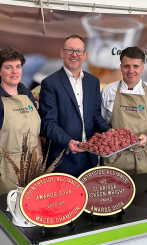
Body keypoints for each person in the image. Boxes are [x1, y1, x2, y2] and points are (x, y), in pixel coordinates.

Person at [0, 47, 41, 212]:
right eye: (8, 67)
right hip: (5, 172)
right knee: (8, 226)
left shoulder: (25, 92)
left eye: (18, 66)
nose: (15, 71)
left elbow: (35, 131)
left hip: (33, 168)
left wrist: (39, 160)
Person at [39, 34, 110, 177]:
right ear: (62, 53)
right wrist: (68, 142)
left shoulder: (93, 82)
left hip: (90, 158)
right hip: (62, 159)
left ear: (85, 55)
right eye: (70, 50)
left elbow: (95, 117)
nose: (74, 55)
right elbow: (48, 123)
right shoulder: (50, 83)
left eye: (79, 51)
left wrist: (111, 132)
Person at [101, 46, 147, 174]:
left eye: (136, 66)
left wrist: (146, 137)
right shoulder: (108, 91)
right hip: (114, 158)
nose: (131, 71)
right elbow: (99, 122)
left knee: (144, 193)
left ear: (142, 68)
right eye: (127, 66)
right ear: (121, 67)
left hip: (142, 159)